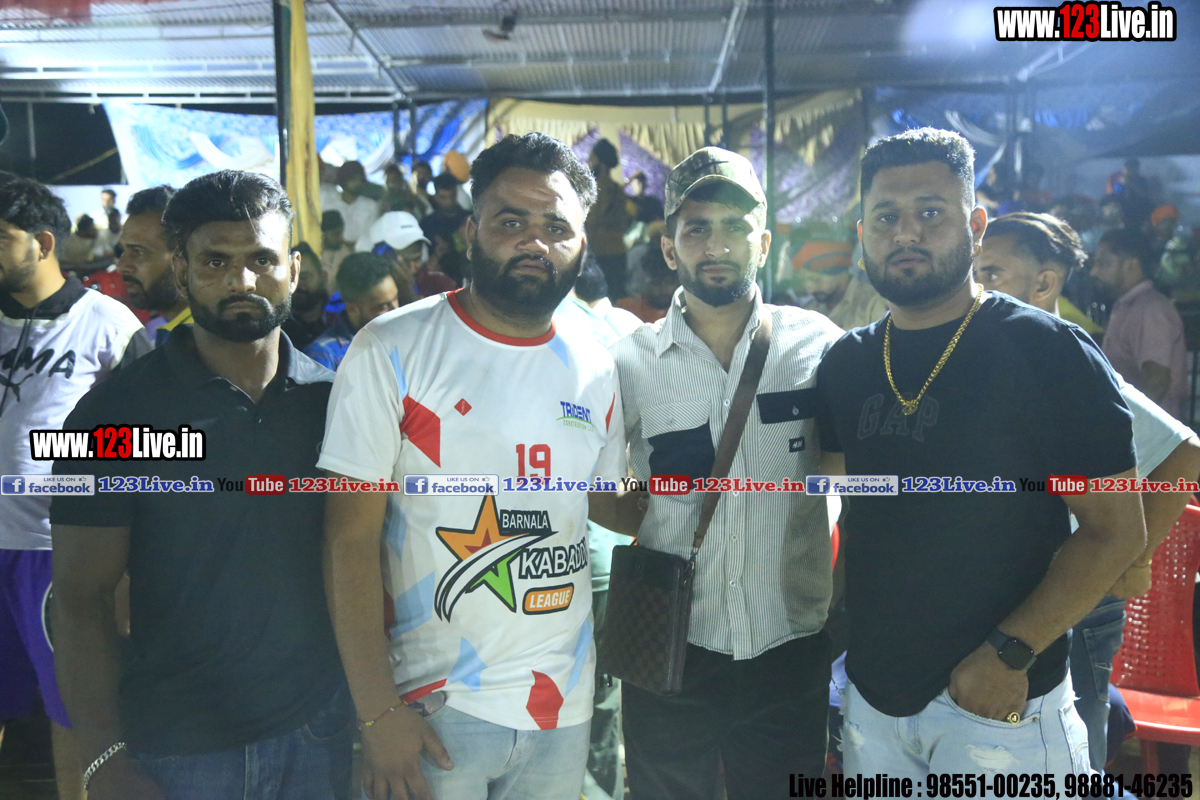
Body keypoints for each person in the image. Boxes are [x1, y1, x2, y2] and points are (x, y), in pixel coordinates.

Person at [816, 127, 1146, 778]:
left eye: (930, 212)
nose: (906, 233)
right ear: (862, 235)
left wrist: (1009, 653)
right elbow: (856, 510)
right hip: (874, 698)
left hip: (999, 702)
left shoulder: (1047, 351)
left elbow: (1116, 530)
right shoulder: (847, 363)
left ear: (974, 226)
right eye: (886, 217)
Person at [319, 132, 639, 800]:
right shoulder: (391, 348)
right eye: (511, 222)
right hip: (433, 704)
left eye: (556, 228)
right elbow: (347, 542)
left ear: (582, 244)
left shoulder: (596, 362)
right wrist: (376, 712)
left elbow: (612, 502)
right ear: (472, 231)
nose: (534, 242)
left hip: (561, 702)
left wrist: (720, 484)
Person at [50, 169, 353, 800]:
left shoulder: (336, 404)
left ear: (294, 270)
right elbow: (80, 599)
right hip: (176, 747)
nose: (242, 281)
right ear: (182, 272)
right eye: (216, 261)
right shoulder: (111, 416)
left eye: (261, 259)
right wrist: (103, 757)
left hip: (317, 732)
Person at [610, 147, 843, 800]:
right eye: (696, 229)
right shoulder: (628, 363)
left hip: (789, 644)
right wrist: (654, 514)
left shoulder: (817, 347)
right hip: (668, 644)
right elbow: (600, 491)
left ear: (763, 243)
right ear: (668, 248)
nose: (716, 246)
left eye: (735, 227)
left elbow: (850, 480)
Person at [975, 210, 1200, 768]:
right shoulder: (1000, 359)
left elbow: (1185, 453)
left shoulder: (1068, 363)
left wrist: (1136, 560)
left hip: (1077, 597)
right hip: (1026, 593)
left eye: (991, 274)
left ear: (1044, 284)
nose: (976, 288)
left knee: (1076, 748)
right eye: (973, 273)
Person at [0, 173, 150, 800]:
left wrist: (60, 459)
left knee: (74, 710)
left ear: (42, 242)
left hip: (56, 550)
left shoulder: (107, 323)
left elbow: (153, 443)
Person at [552, 252, 640, 800]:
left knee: (563, 683)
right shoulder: (630, 331)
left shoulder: (555, 329)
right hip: (614, 547)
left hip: (563, 551)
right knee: (606, 693)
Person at [1092, 228, 1188, 420]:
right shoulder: (1127, 305)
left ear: (1131, 265)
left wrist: (1127, 424)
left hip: (1150, 433)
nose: (1094, 272)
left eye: (1104, 263)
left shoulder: (1150, 309)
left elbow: (1157, 380)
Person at [116, 185, 191, 348]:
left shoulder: (206, 345)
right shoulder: (163, 332)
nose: (121, 266)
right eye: (123, 250)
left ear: (185, 260)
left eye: (139, 251)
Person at [304, 252, 400, 371]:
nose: (396, 310)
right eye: (382, 307)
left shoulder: (401, 339)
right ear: (352, 309)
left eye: (396, 298)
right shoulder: (324, 354)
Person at [355, 211, 456, 300]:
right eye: (404, 262)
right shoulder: (365, 293)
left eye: (417, 259)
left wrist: (410, 294)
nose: (412, 269)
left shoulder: (439, 284)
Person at [796, 238, 889, 331]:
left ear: (842, 274)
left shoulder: (872, 303)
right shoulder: (810, 308)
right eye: (804, 280)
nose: (810, 290)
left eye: (816, 279)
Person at [585, 139, 633, 299]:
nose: (589, 162)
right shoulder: (617, 189)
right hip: (617, 252)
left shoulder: (597, 188)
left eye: (592, 158)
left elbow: (592, 220)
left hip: (599, 254)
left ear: (600, 161)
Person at [284, 242, 331, 351]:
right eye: (291, 278)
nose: (297, 284)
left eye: (304, 277)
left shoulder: (338, 318)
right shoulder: (278, 327)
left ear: (323, 277)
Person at [321, 160, 382, 246]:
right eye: (353, 180)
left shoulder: (371, 206)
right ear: (343, 181)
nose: (358, 183)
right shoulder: (328, 202)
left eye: (360, 180)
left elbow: (372, 236)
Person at [615, 242, 677, 324]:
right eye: (655, 283)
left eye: (668, 283)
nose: (662, 289)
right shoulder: (624, 310)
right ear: (643, 280)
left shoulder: (687, 313)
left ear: (677, 282)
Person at [419, 173, 470, 247]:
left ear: (456, 194)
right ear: (436, 197)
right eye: (443, 197)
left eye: (452, 196)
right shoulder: (427, 225)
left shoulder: (471, 219)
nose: (449, 202)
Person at [320, 210, 353, 294]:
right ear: (323, 235)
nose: (341, 238)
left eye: (341, 233)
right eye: (336, 234)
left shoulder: (346, 253)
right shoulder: (314, 255)